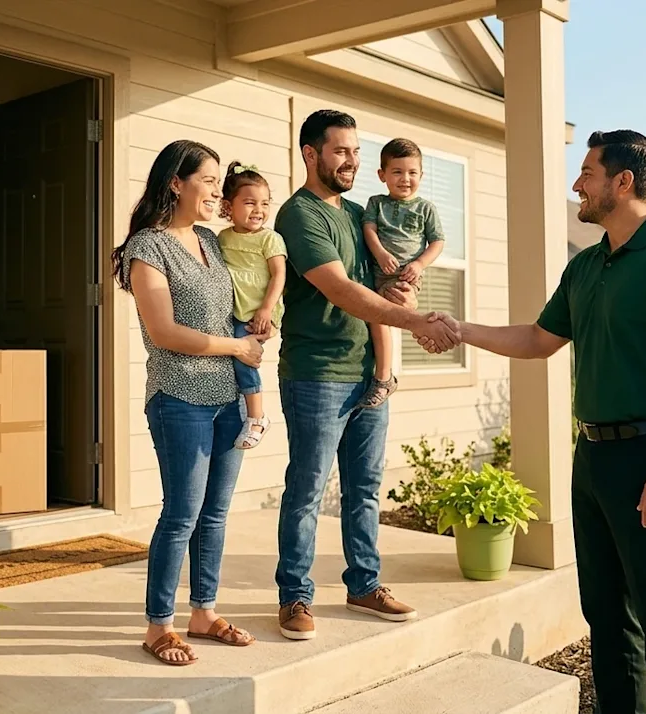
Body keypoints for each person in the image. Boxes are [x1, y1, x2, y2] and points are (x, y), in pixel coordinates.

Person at [417, 130, 646, 714]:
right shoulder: (586, 266)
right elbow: (538, 338)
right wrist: (460, 330)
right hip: (595, 459)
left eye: (586, 172)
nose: (577, 184)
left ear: (623, 182)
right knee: (606, 619)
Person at [272, 109, 460, 641]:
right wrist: (414, 319)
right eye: (340, 151)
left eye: (356, 151)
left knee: (366, 488)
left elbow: (381, 278)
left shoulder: (361, 214)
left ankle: (364, 584)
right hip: (318, 373)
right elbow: (340, 289)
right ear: (311, 154)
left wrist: (406, 291)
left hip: (369, 373)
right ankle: (294, 596)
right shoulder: (300, 215)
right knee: (308, 488)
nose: (352, 160)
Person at [113, 139, 268, 666]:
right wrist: (237, 346)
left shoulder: (210, 239)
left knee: (215, 515)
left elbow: (240, 296)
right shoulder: (147, 248)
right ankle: (159, 626)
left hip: (227, 397)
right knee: (181, 513)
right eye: (207, 180)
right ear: (176, 183)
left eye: (220, 181)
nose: (217, 191)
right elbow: (164, 331)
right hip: (179, 396)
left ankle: (203, 613)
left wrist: (261, 324)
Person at [358, 138, 447, 409]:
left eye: (412, 173)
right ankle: (385, 374)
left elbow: (437, 242)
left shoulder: (425, 208)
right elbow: (369, 230)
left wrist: (419, 265)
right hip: (380, 272)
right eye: (397, 172)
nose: (405, 179)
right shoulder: (376, 203)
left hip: (407, 276)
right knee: (381, 318)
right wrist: (381, 254)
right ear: (382, 175)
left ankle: (384, 377)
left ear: (421, 175)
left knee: (383, 317)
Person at [216, 161, 287, 450]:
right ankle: (243, 408)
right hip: (233, 311)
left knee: (243, 357)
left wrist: (266, 310)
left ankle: (257, 416)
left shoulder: (269, 238)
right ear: (228, 207)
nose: (259, 210)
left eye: (265, 203)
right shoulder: (223, 238)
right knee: (232, 357)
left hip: (259, 313)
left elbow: (279, 274)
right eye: (249, 203)